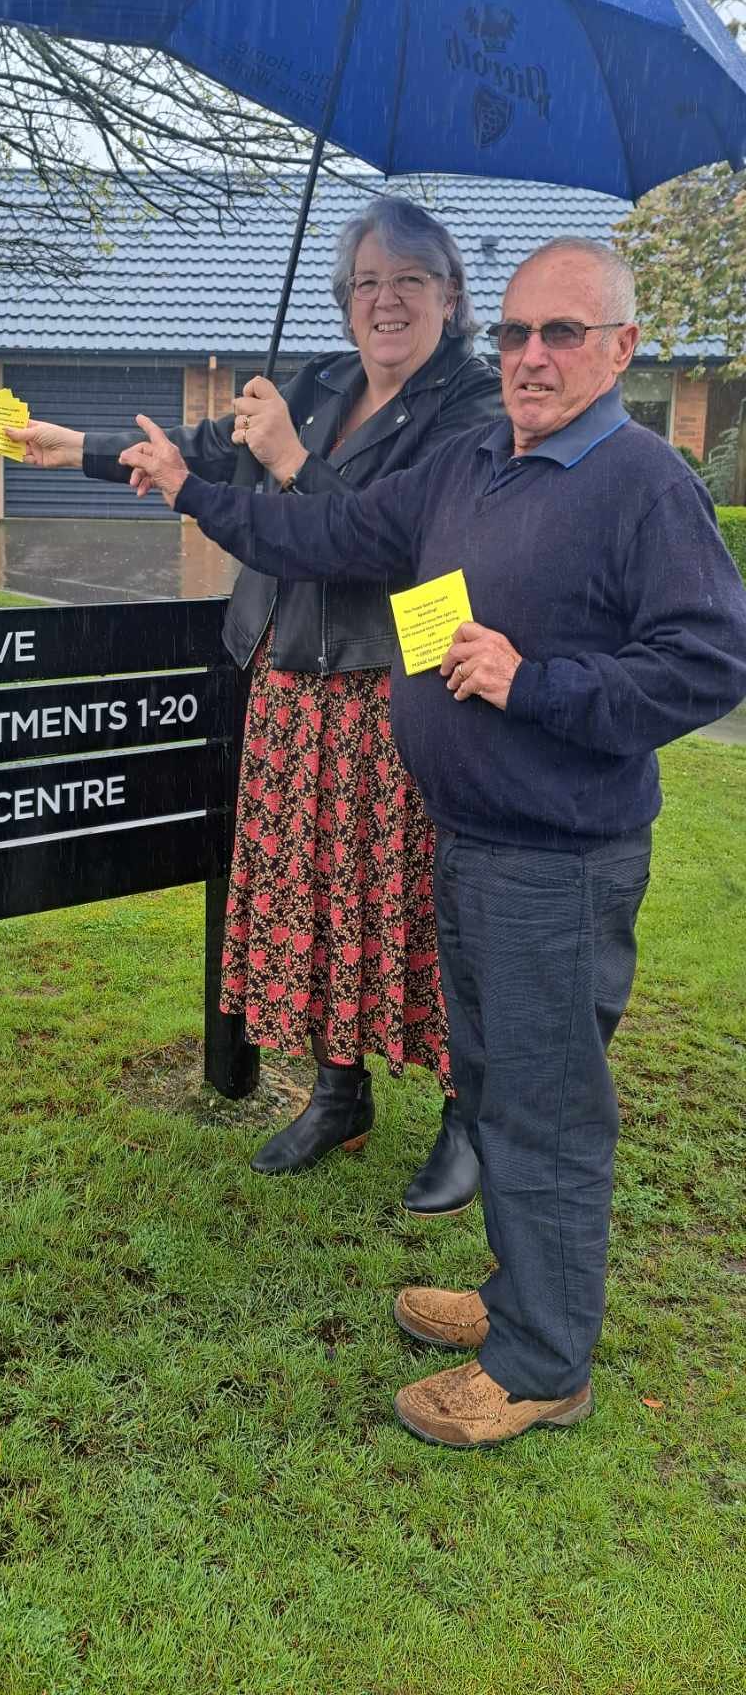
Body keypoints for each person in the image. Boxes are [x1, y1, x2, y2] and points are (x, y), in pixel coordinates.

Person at [120, 236, 746, 1449]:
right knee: (500, 1088)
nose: (532, 357)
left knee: (545, 1106)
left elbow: (710, 661)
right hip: (463, 839)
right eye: (516, 334)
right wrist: (194, 490)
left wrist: (538, 684)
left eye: (564, 334)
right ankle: (521, 1298)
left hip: (557, 863)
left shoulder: (640, 482)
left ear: (622, 349)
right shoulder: (472, 461)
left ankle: (540, 1363)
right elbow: (338, 535)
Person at [6, 198, 500, 1211]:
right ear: (344, 297)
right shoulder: (320, 380)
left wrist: (288, 461)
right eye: (367, 280)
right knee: (312, 891)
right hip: (289, 676)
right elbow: (207, 451)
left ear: (451, 296)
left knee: (411, 903)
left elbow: (384, 545)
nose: (386, 298)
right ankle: (338, 1089)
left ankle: (471, 1112)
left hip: (392, 688)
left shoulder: (475, 410)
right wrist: (84, 449)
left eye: (410, 278)